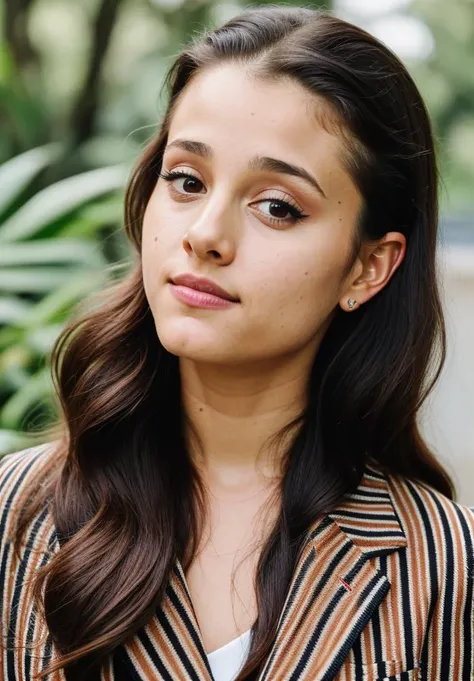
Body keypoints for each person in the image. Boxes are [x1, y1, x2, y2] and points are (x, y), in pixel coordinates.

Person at [1, 5, 473, 681]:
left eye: (277, 205)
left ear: (369, 266)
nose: (206, 233)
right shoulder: (17, 518)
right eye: (186, 181)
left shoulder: (444, 567)